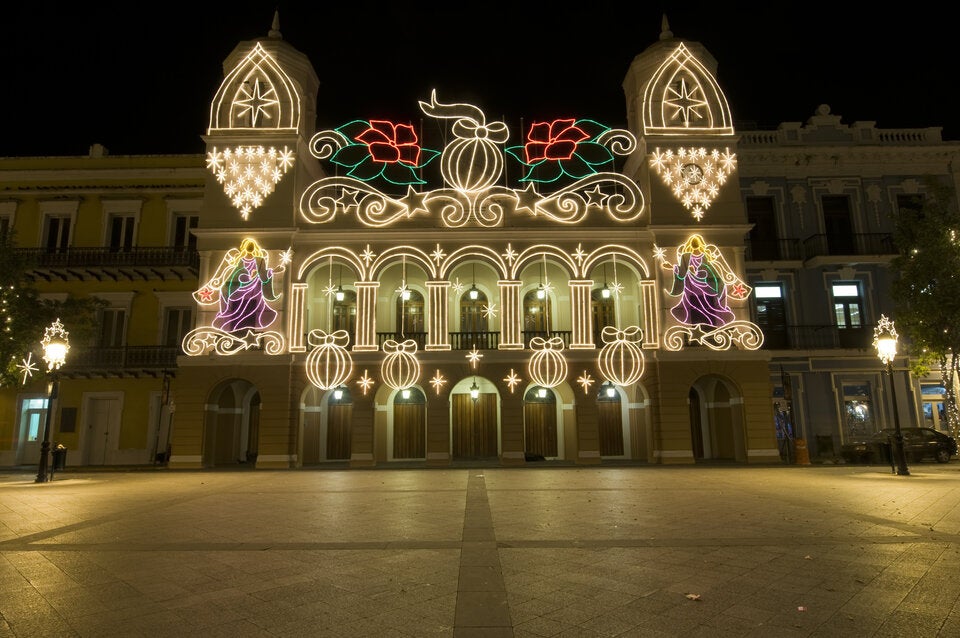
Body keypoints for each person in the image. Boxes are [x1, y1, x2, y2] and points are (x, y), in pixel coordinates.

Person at [664, 234, 747, 328]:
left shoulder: (705, 256)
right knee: (693, 304)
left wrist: (697, 272)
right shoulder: (686, 256)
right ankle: (697, 326)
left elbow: (709, 270)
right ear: (690, 244)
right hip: (691, 284)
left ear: (700, 243)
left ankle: (709, 326)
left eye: (696, 241)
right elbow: (682, 272)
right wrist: (672, 267)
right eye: (693, 241)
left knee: (708, 303)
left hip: (706, 284)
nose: (695, 243)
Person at [206, 238, 280, 333]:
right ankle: (239, 329)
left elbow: (262, 276)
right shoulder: (244, 260)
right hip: (241, 288)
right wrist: (272, 271)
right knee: (237, 304)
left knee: (249, 307)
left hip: (253, 288)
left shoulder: (257, 260)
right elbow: (261, 276)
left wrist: (271, 272)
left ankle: (243, 329)